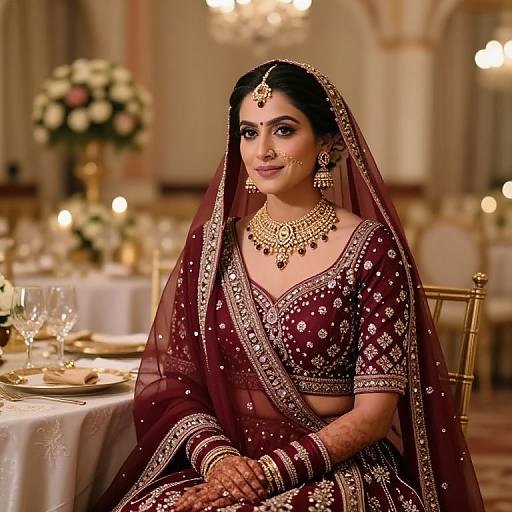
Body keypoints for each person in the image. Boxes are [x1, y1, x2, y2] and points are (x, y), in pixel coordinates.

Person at [95, 60, 484, 512]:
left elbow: (374, 417)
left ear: (326, 142)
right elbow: (179, 383)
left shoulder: (371, 249)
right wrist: (221, 463)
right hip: (225, 462)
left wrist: (265, 473)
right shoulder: (213, 246)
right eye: (248, 132)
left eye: (282, 130)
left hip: (337, 467)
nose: (262, 151)